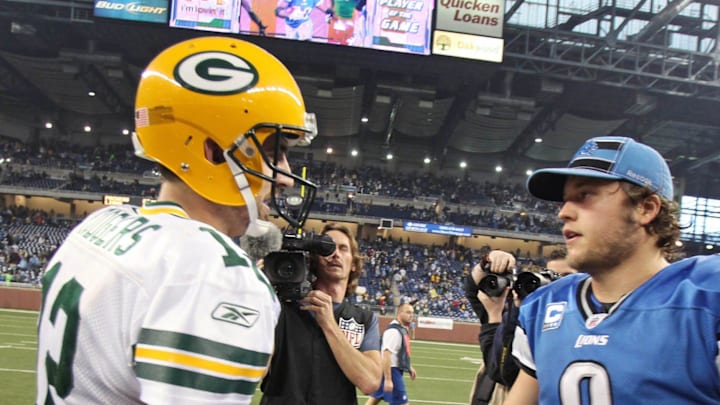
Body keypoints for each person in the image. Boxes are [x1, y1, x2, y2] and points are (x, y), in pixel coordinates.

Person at [35, 36, 318, 404]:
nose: (284, 174)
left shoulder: (100, 224)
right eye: (274, 151)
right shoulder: (213, 272)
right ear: (214, 151)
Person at [505, 136, 720, 404]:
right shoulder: (543, 306)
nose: (564, 212)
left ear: (646, 208)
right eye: (565, 199)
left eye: (585, 195)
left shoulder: (706, 296)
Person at [260, 222, 382, 404]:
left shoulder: (364, 319)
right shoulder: (281, 309)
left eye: (343, 248)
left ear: (354, 264)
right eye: (327, 248)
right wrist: (258, 289)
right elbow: (255, 370)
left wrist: (329, 324)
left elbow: (371, 383)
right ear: (314, 260)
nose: (335, 254)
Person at [365, 303, 417, 405]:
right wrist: (388, 380)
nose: (411, 315)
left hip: (390, 370)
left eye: (412, 313)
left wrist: (409, 366)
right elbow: (386, 354)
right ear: (399, 313)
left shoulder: (401, 329)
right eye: (408, 312)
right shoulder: (393, 331)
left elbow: (400, 352)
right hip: (392, 371)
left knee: (374, 400)